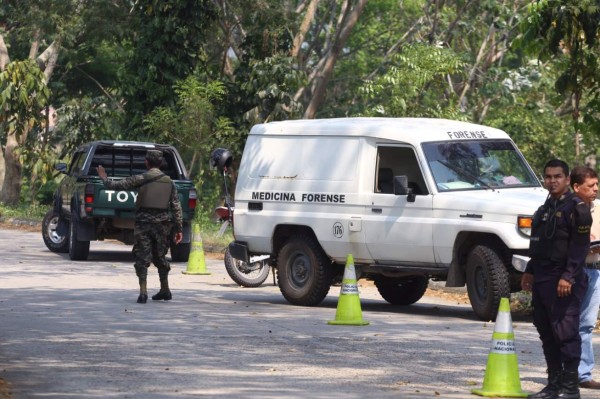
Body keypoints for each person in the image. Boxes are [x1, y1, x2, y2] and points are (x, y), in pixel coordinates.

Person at [521, 159, 592, 399]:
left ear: (567, 179)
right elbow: (539, 244)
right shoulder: (547, 206)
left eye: (557, 177)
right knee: (546, 332)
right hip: (542, 276)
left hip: (563, 279)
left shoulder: (577, 207)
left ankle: (570, 389)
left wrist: (568, 277)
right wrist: (529, 270)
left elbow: (580, 247)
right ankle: (554, 384)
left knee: (565, 333)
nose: (552, 181)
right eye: (548, 177)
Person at [97, 150, 183, 303]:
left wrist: (104, 178)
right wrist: (178, 229)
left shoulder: (141, 178)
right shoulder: (169, 182)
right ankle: (165, 289)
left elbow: (117, 185)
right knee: (160, 256)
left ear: (146, 162)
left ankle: (143, 292)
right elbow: (176, 207)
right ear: (161, 163)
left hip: (144, 224)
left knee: (142, 256)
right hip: (162, 225)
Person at [570, 166, 600, 389]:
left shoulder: (599, 208)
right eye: (591, 186)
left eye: (597, 184)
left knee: (587, 325)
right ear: (576, 187)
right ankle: (563, 371)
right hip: (572, 272)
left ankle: (583, 374)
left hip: (595, 270)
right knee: (567, 322)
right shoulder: (567, 209)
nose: (596, 189)